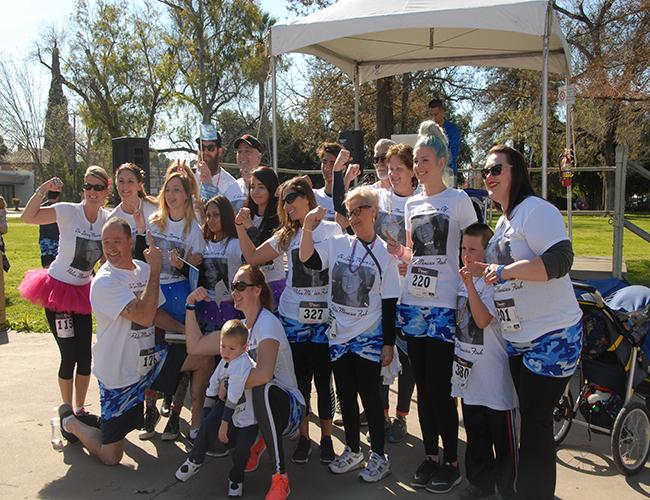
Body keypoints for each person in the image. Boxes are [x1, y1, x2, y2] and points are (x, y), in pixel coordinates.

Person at [471, 144, 582, 500]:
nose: (488, 176)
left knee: (534, 426)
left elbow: (561, 261)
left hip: (552, 337)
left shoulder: (536, 211)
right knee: (528, 422)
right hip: (519, 339)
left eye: (496, 170)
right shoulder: (504, 221)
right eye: (485, 170)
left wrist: (503, 271)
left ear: (515, 172)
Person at [387, 120, 477, 493]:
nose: (420, 167)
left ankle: (453, 460)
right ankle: (430, 456)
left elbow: (473, 247)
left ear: (441, 162)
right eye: (417, 160)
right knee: (422, 385)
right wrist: (402, 255)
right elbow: (416, 252)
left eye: (426, 160)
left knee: (441, 387)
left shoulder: (458, 201)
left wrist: (468, 292)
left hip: (443, 307)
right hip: (414, 306)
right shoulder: (413, 205)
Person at [56, 217, 181, 464]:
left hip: (149, 362)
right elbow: (144, 317)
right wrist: (156, 269)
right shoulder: (104, 281)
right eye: (106, 242)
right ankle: (69, 421)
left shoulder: (142, 269)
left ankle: (196, 428)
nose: (111, 247)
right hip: (118, 374)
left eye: (116, 241)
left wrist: (186, 331)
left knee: (199, 358)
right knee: (111, 455)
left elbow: (156, 312)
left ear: (130, 242)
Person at [299, 185, 401, 483]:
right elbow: (309, 260)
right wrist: (307, 227)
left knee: (370, 397)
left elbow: (390, 303)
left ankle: (380, 456)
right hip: (338, 336)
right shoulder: (339, 244)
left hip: (368, 338)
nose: (354, 217)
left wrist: (388, 344)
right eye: (350, 211)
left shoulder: (386, 253)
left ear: (374, 212)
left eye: (360, 210)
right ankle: (354, 449)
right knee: (345, 394)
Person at [238, 176, 340, 464]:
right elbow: (254, 257)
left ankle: (327, 437)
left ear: (308, 198)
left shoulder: (333, 229)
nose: (286, 205)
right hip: (295, 319)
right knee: (301, 381)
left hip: (323, 320)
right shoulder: (286, 235)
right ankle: (305, 437)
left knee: (324, 381)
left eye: (291, 197)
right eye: (283, 200)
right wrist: (240, 229)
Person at [183, 265, 305, 500]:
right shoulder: (240, 330)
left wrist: (228, 385)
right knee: (219, 436)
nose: (235, 292)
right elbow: (195, 347)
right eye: (233, 287)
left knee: (261, 387)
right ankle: (254, 443)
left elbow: (264, 374)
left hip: (289, 411)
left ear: (258, 290)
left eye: (241, 286)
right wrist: (190, 305)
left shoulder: (267, 323)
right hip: (254, 409)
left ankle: (280, 477)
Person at [19, 167, 111, 417]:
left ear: (106, 191)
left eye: (97, 187)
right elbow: (28, 217)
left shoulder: (107, 219)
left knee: (85, 357)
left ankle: (80, 409)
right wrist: (43, 189)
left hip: (82, 293)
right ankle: (67, 410)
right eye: (88, 186)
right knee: (68, 354)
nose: (92, 192)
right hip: (57, 292)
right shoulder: (68, 211)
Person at [139, 168, 211, 443]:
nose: (171, 195)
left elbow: (196, 268)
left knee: (180, 352)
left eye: (177, 190)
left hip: (180, 293)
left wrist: (185, 264)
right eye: (168, 189)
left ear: (187, 195)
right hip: (155, 290)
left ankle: (175, 415)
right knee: (152, 350)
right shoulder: (154, 222)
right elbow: (146, 258)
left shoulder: (194, 229)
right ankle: (150, 412)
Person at [453, 223, 517, 500]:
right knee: (475, 433)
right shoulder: (461, 278)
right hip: (468, 373)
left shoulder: (493, 282)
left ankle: (507, 488)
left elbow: (481, 320)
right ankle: (480, 483)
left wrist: (470, 285)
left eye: (473, 250)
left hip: (494, 378)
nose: (466, 255)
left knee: (502, 439)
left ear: (487, 252)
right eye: (463, 249)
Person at [175, 319, 258, 498]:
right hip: (228, 409)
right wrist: (207, 416)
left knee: (243, 451)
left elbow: (234, 395)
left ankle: (236, 478)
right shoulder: (225, 361)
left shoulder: (243, 363)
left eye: (232, 348)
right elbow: (213, 387)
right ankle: (194, 460)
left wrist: (223, 424)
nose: (226, 352)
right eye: (223, 346)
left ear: (244, 348)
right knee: (205, 425)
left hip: (248, 415)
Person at [374, 143, 417, 443]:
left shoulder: (421, 202)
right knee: (382, 352)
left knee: (407, 357)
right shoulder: (378, 197)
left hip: (411, 291)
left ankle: (402, 416)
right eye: (389, 169)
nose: (393, 174)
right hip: (380, 290)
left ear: (412, 171)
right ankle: (383, 413)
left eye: (399, 169)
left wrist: (405, 258)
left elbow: (427, 252)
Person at [235, 167, 286, 308]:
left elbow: (264, 254)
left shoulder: (280, 218)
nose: (255, 192)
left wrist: (250, 228)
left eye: (261, 187)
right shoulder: (246, 214)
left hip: (273, 284)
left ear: (271, 188)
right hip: (249, 285)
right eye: (252, 187)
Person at [192, 195, 242, 333]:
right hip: (207, 308)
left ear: (225, 215)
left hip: (231, 308)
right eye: (208, 216)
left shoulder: (236, 243)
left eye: (216, 215)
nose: (210, 220)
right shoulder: (204, 244)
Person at [110, 162, 159, 240]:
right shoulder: (113, 219)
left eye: (130, 181)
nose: (125, 186)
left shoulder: (154, 209)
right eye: (121, 181)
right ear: (116, 186)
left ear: (139, 186)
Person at [196, 123, 240, 201]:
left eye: (210, 148)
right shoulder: (192, 177)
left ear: (219, 151)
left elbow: (229, 212)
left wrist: (209, 186)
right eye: (202, 147)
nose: (205, 152)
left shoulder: (231, 184)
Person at [428, 99, 461, 178]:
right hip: (431, 172)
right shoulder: (428, 130)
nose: (433, 118)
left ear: (443, 112)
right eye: (431, 115)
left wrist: (439, 162)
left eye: (436, 114)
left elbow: (454, 152)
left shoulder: (453, 129)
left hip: (448, 172)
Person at [230, 134, 264, 211]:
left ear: (259, 157)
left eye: (247, 151)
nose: (242, 155)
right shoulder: (232, 186)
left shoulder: (267, 185)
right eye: (239, 151)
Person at [313, 142, 342, 221]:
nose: (327, 168)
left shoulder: (350, 198)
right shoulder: (313, 195)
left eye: (332, 163)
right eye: (324, 162)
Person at [38, 191, 60, 267]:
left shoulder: (42, 207)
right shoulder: (59, 208)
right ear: (57, 197)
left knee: (46, 264)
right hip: (57, 239)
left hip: (44, 239)